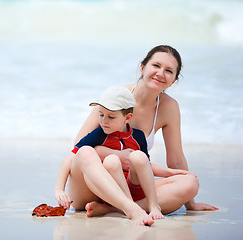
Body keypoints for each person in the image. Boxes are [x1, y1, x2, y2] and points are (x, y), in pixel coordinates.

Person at [72, 45, 218, 217]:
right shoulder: (117, 95)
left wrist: (190, 203)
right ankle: (127, 207)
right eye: (156, 66)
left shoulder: (169, 107)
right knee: (88, 153)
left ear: (174, 80)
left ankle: (115, 209)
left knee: (190, 183)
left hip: (131, 185)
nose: (161, 73)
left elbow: (176, 159)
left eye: (169, 71)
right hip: (95, 185)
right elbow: (80, 148)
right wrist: (116, 155)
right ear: (143, 67)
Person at [56, 86, 191, 222]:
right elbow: (71, 158)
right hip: (99, 190)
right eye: (101, 114)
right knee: (100, 156)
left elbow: (146, 165)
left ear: (127, 118)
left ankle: (125, 208)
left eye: (111, 117)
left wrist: (170, 172)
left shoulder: (137, 136)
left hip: (130, 189)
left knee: (190, 182)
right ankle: (131, 208)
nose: (103, 121)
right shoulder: (98, 134)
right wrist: (59, 189)